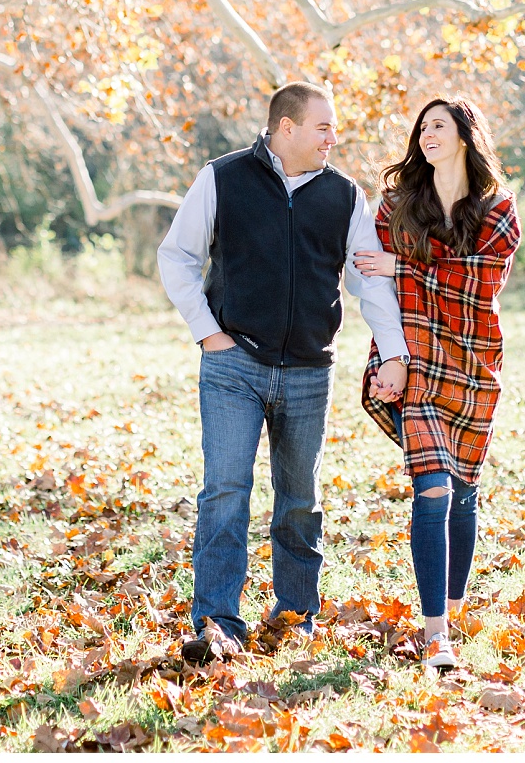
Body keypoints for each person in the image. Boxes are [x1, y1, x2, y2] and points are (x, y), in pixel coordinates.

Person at [157, 81, 410, 665]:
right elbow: (177, 255)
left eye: (334, 128)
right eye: (323, 127)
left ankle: (294, 617)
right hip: (233, 364)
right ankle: (217, 625)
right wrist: (207, 331)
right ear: (286, 127)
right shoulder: (222, 178)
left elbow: (370, 282)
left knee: (300, 500)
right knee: (224, 494)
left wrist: (392, 351)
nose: (333, 138)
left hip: (308, 370)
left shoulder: (345, 196)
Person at [353, 97, 521, 671]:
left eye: (439, 126)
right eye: (422, 127)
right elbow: (368, 277)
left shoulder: (498, 209)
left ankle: (450, 610)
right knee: (432, 489)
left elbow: (481, 279)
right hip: (416, 358)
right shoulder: (397, 206)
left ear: (466, 138)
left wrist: (406, 268)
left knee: (465, 491)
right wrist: (390, 355)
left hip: (475, 359)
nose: (427, 135)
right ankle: (437, 637)